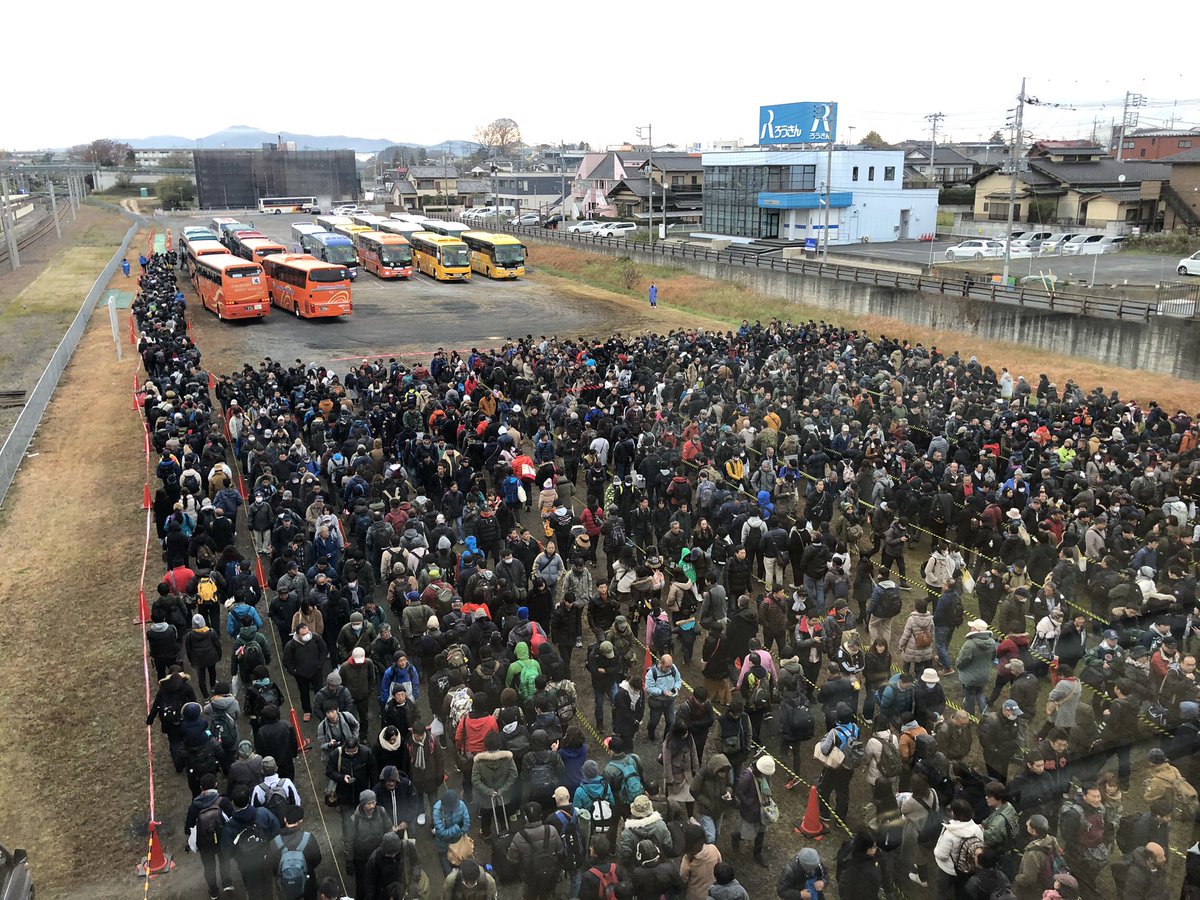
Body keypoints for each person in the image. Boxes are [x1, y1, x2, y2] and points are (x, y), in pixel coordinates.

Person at [185, 772, 235, 899]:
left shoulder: (194, 807)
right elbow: (231, 819)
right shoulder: (223, 801)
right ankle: (227, 883)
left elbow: (188, 829)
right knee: (224, 861)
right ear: (216, 785)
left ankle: (213, 891)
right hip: (222, 837)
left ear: (201, 788)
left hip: (204, 842)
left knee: (209, 866)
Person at [507, 801, 566, 900]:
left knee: (530, 895)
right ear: (541, 815)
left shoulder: (519, 837)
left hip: (529, 875)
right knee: (546, 894)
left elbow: (511, 859)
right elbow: (560, 851)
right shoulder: (551, 830)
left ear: (526, 817)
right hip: (549, 872)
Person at [267, 805, 322, 900]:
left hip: (285, 883)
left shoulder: (274, 842)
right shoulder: (308, 838)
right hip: (307, 880)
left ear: (285, 819)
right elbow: (317, 858)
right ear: (301, 821)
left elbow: (271, 865)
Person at [934, 798, 983, 900]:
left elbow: (942, 855)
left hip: (948, 870)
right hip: (967, 869)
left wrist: (935, 851)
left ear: (954, 813)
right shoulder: (976, 828)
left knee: (942, 891)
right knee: (961, 891)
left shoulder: (949, 833)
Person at [732, 754, 774, 867]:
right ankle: (736, 837)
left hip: (762, 810)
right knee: (747, 834)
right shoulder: (747, 777)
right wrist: (749, 803)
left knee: (761, 832)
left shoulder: (764, 775)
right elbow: (739, 792)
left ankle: (757, 854)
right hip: (751, 812)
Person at [431, 788, 470, 875]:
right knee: (448, 872)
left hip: (458, 842)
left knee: (464, 868)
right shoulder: (437, 812)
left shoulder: (462, 805)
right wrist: (457, 827)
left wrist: (457, 833)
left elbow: (466, 824)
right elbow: (441, 833)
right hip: (443, 844)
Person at [679, 821, 722, 900]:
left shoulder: (687, 860)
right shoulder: (713, 849)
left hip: (695, 896)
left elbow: (682, 880)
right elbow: (720, 866)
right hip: (714, 893)